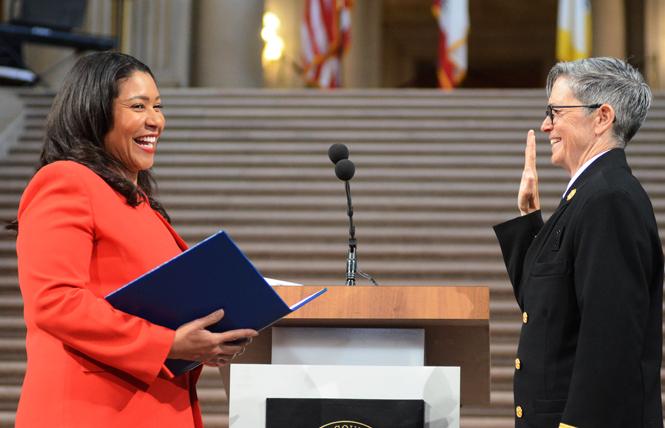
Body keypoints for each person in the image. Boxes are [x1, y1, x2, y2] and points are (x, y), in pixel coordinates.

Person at [11, 52, 258, 427]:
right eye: (138, 106)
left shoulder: (142, 205)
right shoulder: (66, 181)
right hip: (91, 412)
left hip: (151, 408)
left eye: (158, 106)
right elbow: (54, 301)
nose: (155, 120)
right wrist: (167, 344)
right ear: (94, 113)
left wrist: (199, 343)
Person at [494, 57, 663, 427]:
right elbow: (547, 309)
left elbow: (611, 337)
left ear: (602, 117)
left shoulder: (609, 199)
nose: (545, 125)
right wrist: (529, 221)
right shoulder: (589, 196)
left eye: (555, 111)